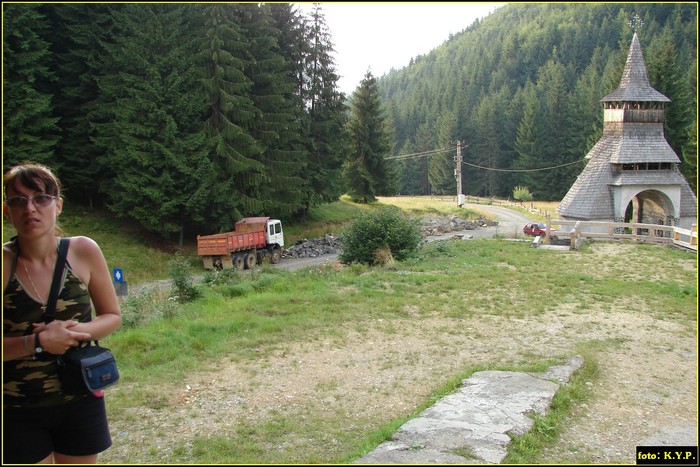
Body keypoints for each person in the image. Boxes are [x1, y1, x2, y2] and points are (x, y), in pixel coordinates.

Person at [3, 162, 122, 464]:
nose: (30, 208)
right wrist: (39, 343)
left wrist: (71, 335)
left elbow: (111, 315)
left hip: (81, 397)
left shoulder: (83, 251)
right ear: (7, 211)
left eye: (40, 198)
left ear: (58, 206)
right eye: (19, 200)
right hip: (17, 407)